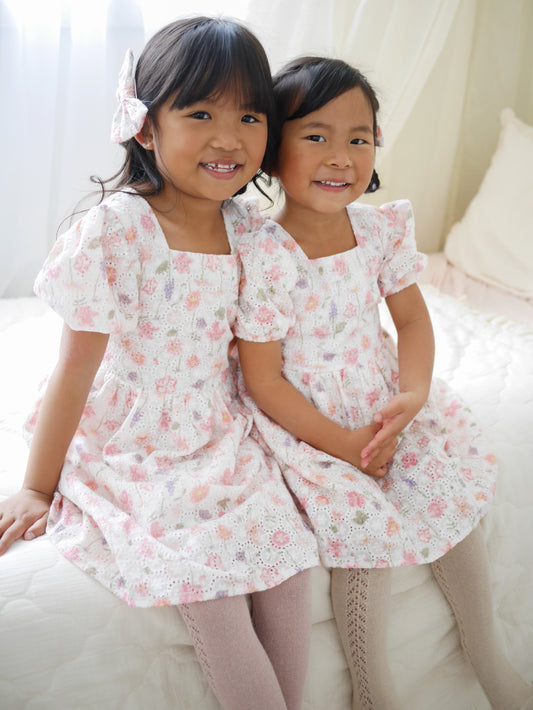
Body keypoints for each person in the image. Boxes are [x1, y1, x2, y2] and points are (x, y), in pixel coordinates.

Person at [0, 20, 320, 710]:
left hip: (220, 429)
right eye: (200, 114)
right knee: (206, 578)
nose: (228, 138)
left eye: (249, 116)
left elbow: (265, 357)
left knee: (289, 563)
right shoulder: (119, 230)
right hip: (137, 437)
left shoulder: (253, 236)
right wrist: (35, 488)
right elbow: (74, 370)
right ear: (145, 127)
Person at [235, 56, 533, 710]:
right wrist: (342, 445)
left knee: (447, 493)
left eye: (359, 137)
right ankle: (373, 694)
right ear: (273, 148)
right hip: (305, 420)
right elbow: (263, 379)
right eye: (316, 135)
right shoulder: (262, 251)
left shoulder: (377, 230)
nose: (340, 156)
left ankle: (490, 659)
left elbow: (412, 321)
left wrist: (413, 394)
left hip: (378, 399)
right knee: (359, 525)